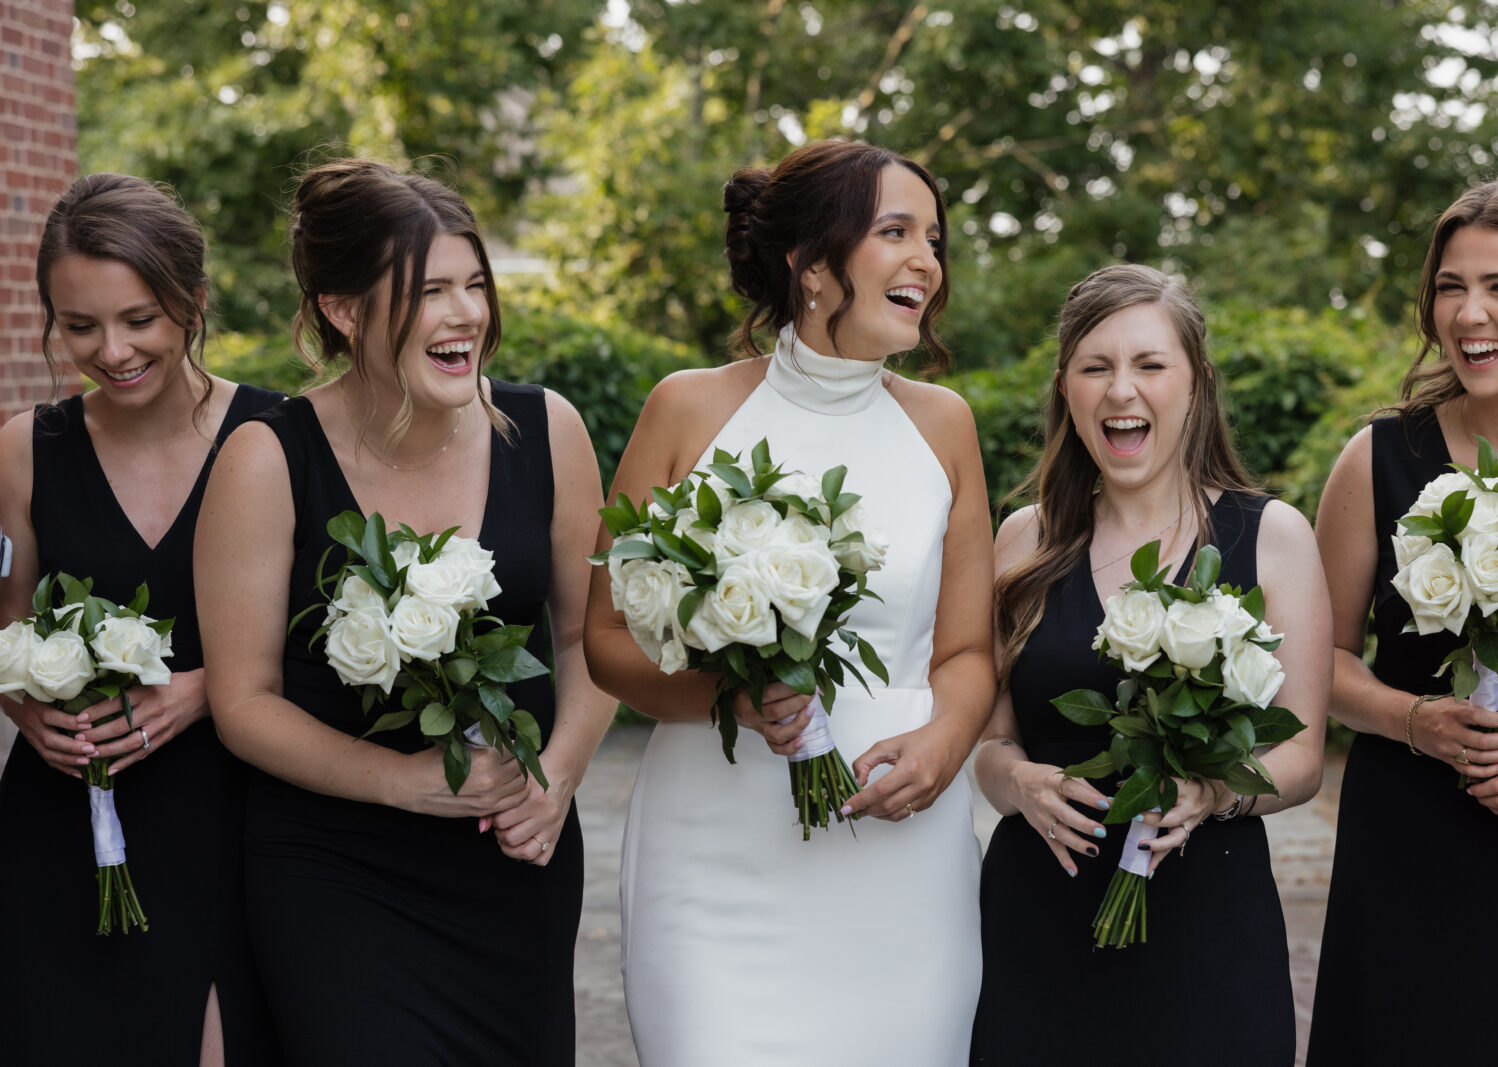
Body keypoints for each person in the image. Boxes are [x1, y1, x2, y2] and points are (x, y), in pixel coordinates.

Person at [584, 140, 993, 1065]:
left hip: (902, 852)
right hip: (717, 850)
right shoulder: (685, 409)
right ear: (811, 264)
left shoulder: (947, 425)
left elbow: (967, 650)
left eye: (934, 236)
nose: (927, 259)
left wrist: (942, 745)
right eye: (896, 231)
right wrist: (729, 697)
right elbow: (606, 637)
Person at [195, 159, 612, 1065]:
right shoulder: (266, 459)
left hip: (513, 865)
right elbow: (243, 700)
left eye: (474, 285)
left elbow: (591, 636)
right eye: (430, 292)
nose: (466, 315)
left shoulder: (551, 431)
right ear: (343, 311)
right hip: (337, 868)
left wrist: (562, 775)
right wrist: (404, 781)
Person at [969, 264, 1331, 1064]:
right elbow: (991, 743)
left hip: (1208, 928)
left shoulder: (1271, 535)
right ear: (1066, 388)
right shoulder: (1022, 541)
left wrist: (1215, 792)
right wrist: (1019, 782)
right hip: (1040, 917)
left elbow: (1302, 756)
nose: (1120, 390)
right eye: (1095, 367)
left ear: (1195, 383)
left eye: (1149, 365)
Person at [1308, 175, 1498, 1062]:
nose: (1468, 313)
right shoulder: (1378, 458)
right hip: (1407, 853)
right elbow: (1315, 661)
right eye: (1450, 286)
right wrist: (1411, 719)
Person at [0, 173, 282, 1065]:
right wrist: (27, 709)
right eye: (79, 326)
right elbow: (6, 626)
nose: (111, 349)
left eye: (139, 319)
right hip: (64, 828)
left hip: (234, 822)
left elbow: (320, 644)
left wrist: (210, 688)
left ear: (193, 302)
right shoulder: (22, 447)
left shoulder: (279, 435)